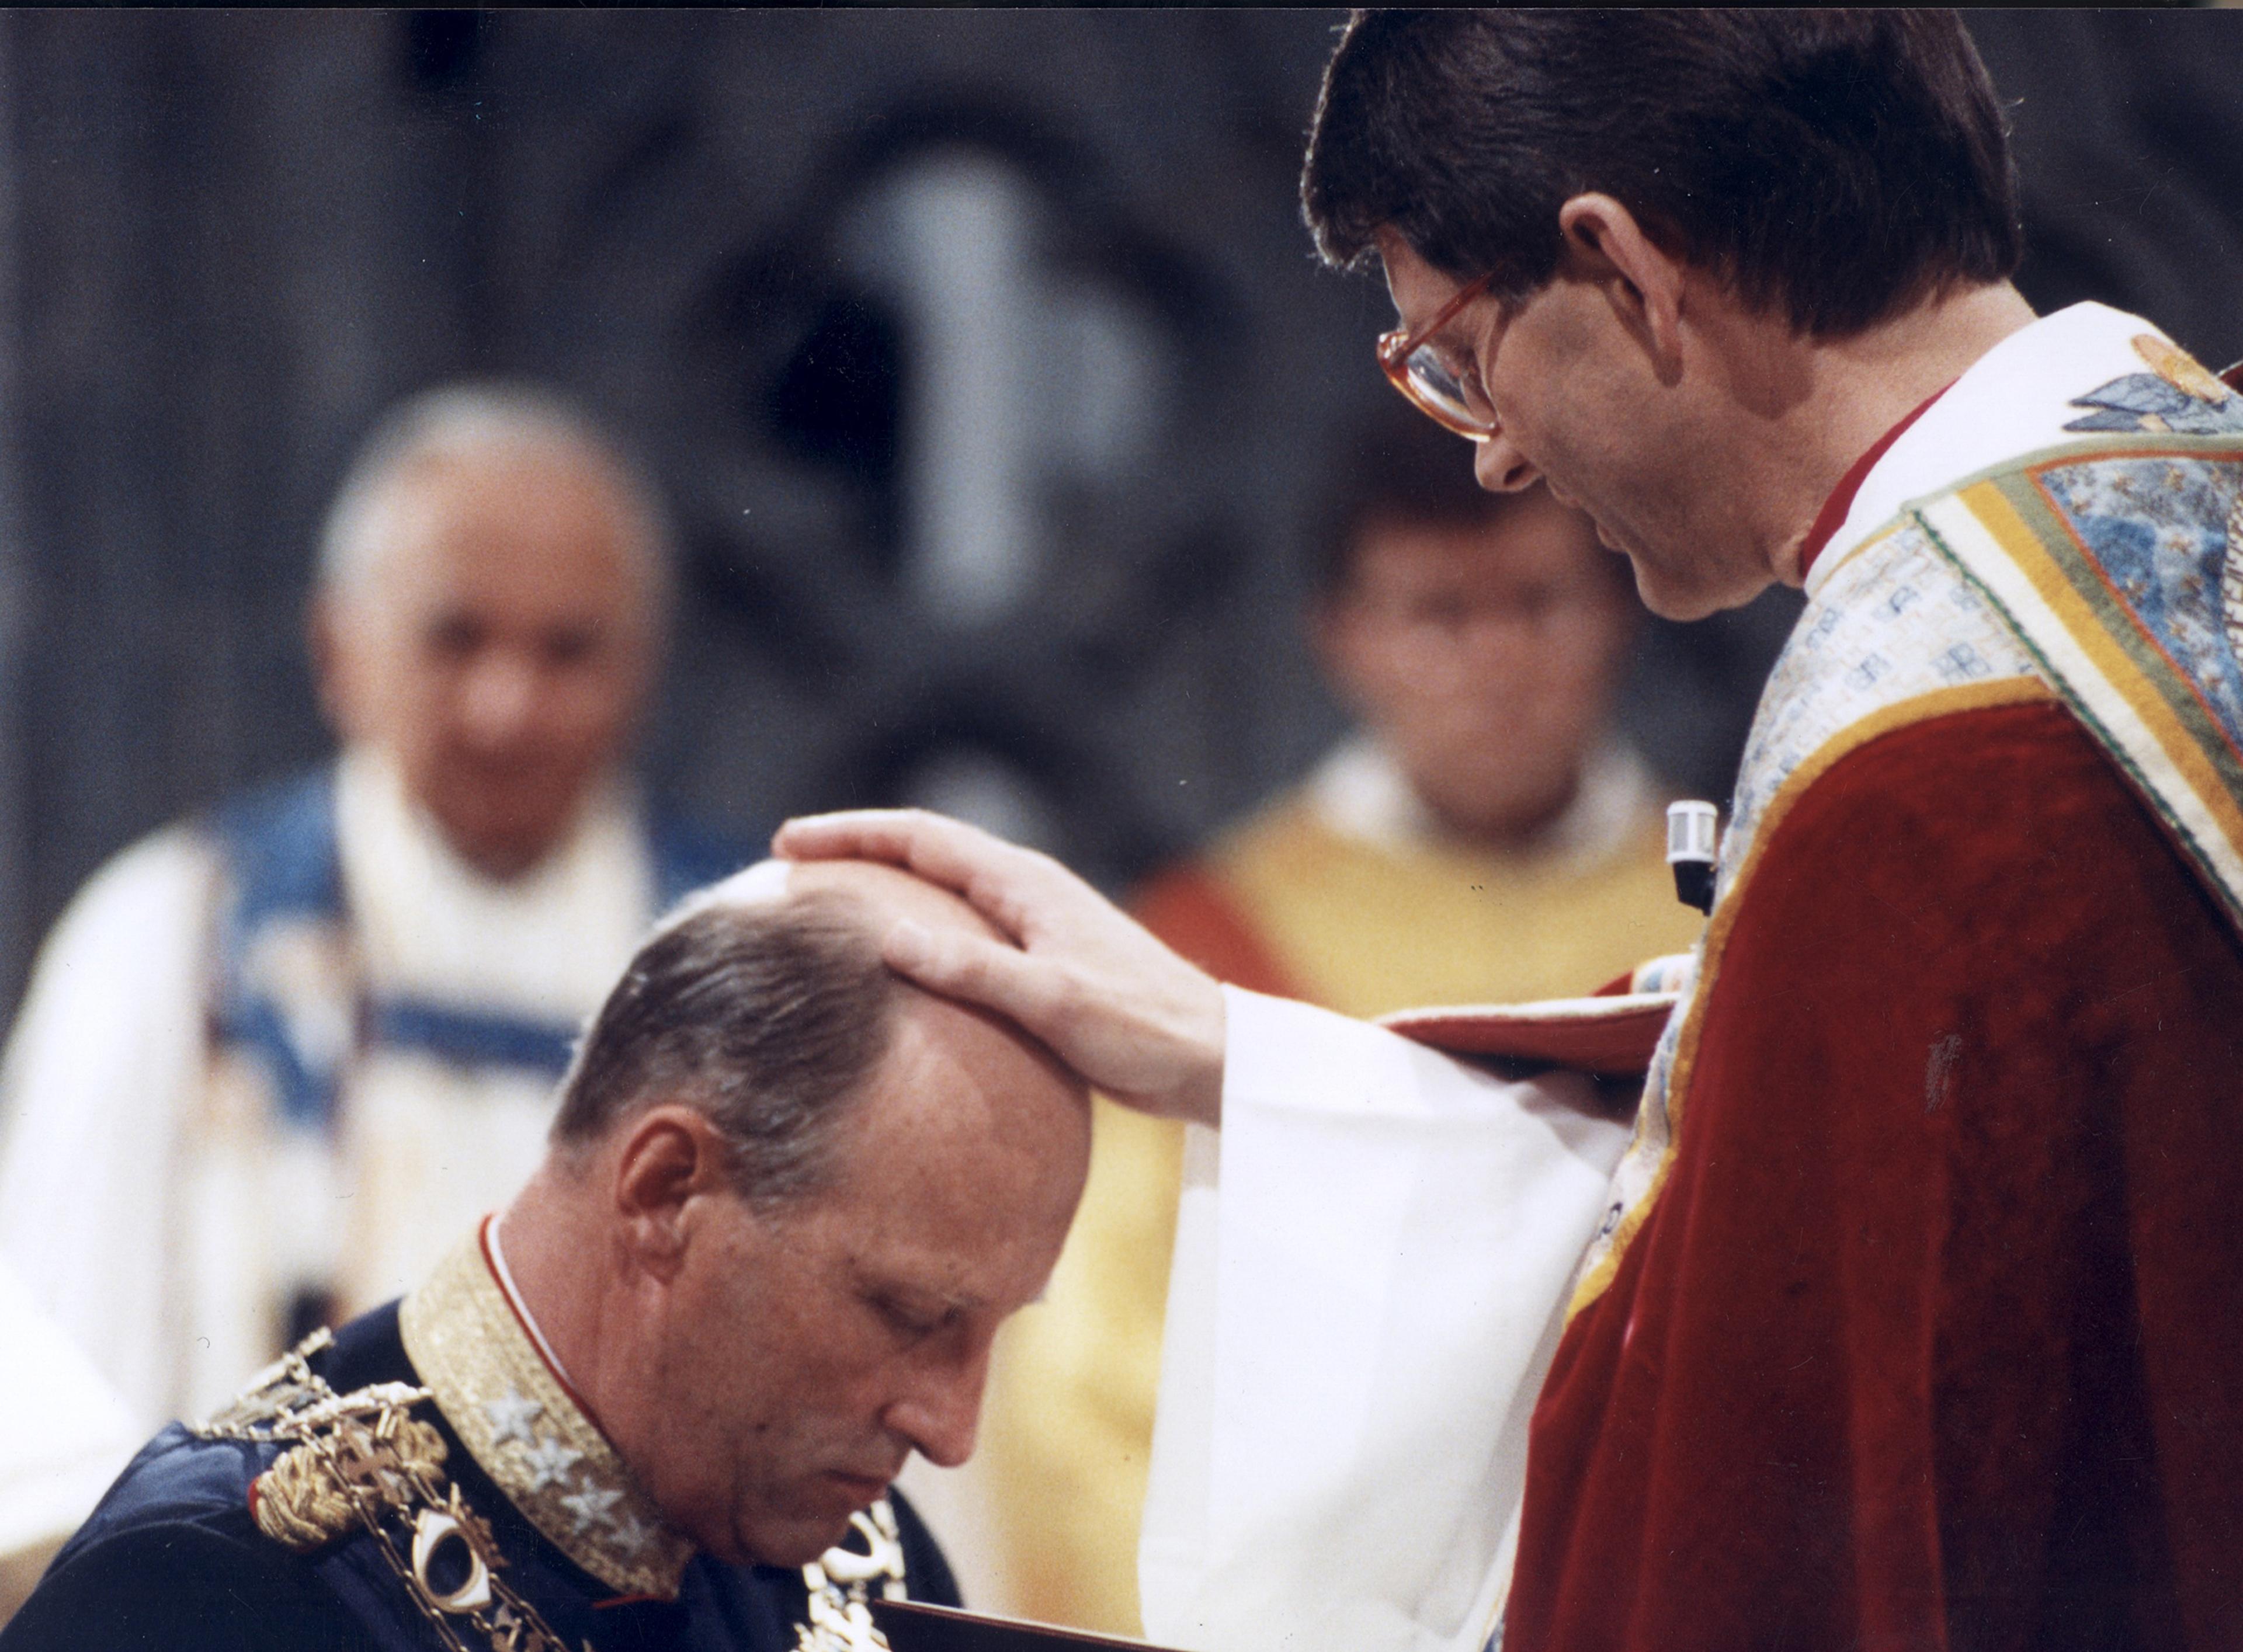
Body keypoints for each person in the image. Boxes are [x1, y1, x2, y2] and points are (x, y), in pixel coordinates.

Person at [775, 11, 2243, 1651]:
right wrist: (1243, 1059)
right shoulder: (2151, 518)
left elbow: (1794, 1482)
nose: (1494, 451)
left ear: (1624, 269)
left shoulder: (1947, 762)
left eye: (1460, 360)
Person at [976, 411, 1703, 1636]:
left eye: (1537, 601)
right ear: (1341, 636)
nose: (1495, 661)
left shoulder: (1729, 924)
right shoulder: (1204, 949)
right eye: (1437, 612)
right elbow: (1079, 1396)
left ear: (1620, 608)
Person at [0, 859, 1091, 1652]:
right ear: (666, 1190)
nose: (953, 1432)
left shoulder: (861, 1571)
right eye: (910, 1312)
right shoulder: (214, 1594)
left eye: (995, 1329)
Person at [0, 383, 745, 1430]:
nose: (508, 706)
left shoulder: (745, 970)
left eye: (568, 650)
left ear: (644, 669)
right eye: (456, 638)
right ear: (337, 648)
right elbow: (59, 1405)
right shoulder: (171, 939)